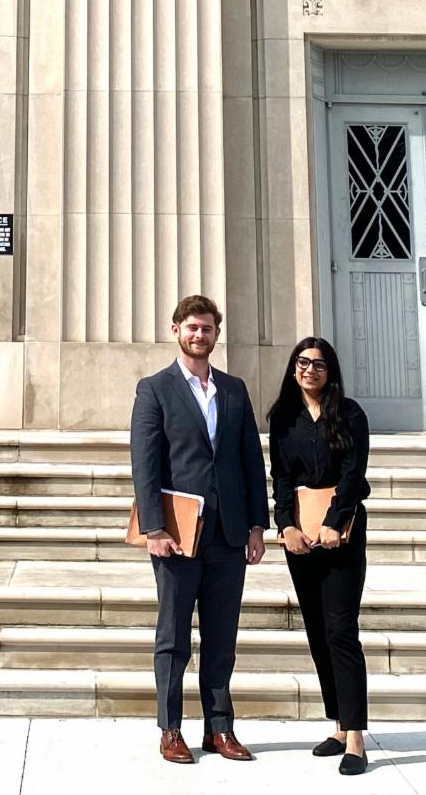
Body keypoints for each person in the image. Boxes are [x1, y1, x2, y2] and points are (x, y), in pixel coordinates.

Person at [130, 294, 270, 765]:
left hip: (229, 535)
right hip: (177, 536)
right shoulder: (155, 389)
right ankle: (171, 729)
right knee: (173, 637)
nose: (199, 335)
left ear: (215, 333)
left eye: (207, 328)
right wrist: (153, 527)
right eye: (192, 327)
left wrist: (257, 524)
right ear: (176, 330)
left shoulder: (234, 390)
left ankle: (219, 728)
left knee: (221, 637)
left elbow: (251, 460)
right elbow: (145, 466)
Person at [269, 337, 371, 776]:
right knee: (316, 630)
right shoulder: (284, 419)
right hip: (300, 536)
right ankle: (336, 723)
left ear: (331, 371)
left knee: (341, 629)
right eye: (302, 362)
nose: (309, 369)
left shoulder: (349, 414)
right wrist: (286, 525)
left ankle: (356, 737)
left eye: (319, 364)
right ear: (293, 368)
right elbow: (281, 476)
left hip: (340, 531)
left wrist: (334, 520)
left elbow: (354, 473)